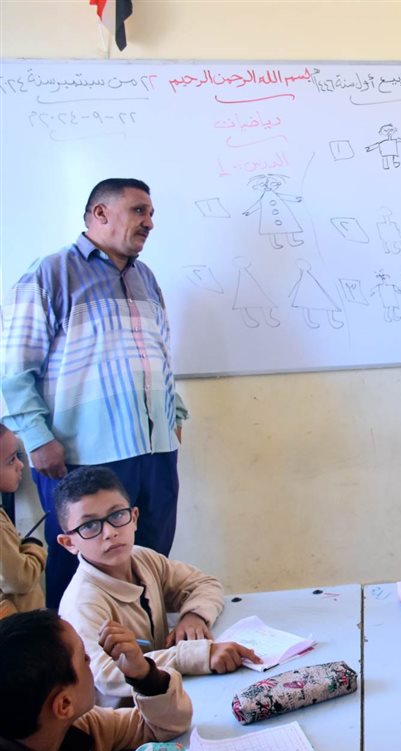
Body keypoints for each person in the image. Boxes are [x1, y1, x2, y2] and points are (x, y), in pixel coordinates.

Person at [1, 178, 188, 610]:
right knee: (79, 576)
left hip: (156, 452)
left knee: (149, 563)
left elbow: (161, 356)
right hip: (83, 456)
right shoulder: (51, 274)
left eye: (151, 213)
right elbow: (14, 371)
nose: (149, 222)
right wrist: (37, 439)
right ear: (100, 213)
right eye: (139, 210)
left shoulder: (146, 278)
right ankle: (73, 653)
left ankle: (147, 647)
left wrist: (175, 417)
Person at [53, 466, 258, 702]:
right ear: (69, 543)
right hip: (127, 715)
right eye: (89, 526)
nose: (109, 532)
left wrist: (194, 615)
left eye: (117, 515)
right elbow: (107, 675)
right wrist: (196, 655)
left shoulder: (142, 558)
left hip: (171, 695)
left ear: (134, 518)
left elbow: (204, 583)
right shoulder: (81, 604)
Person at [0, 609, 192, 751]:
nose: (90, 660)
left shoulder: (82, 728)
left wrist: (144, 675)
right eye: (84, 657)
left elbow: (164, 726)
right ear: (64, 704)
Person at [0, 425, 45, 612]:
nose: (21, 465)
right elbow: (19, 580)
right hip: (19, 622)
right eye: (11, 460)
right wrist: (35, 549)